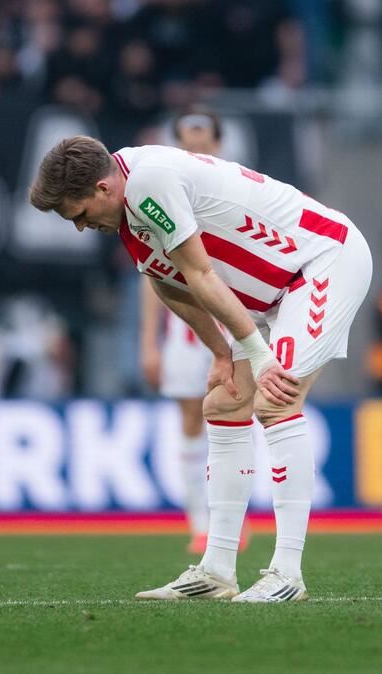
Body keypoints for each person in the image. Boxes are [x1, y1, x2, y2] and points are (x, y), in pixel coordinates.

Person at [29, 136, 372, 602]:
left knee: (275, 399)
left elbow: (202, 274)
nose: (80, 226)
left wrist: (257, 355)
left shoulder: (149, 183)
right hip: (275, 290)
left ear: (103, 188)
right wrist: (221, 353)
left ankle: (288, 574)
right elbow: (169, 283)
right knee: (225, 403)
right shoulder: (128, 198)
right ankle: (217, 571)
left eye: (80, 213)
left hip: (323, 261)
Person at [138, 107, 248, 555]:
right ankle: (200, 523)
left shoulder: (239, 189)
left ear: (218, 145)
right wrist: (149, 342)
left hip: (236, 321)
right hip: (185, 329)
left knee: (238, 414)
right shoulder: (163, 194)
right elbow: (150, 272)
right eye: (187, 144)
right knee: (190, 418)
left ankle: (232, 519)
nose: (195, 151)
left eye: (202, 144)